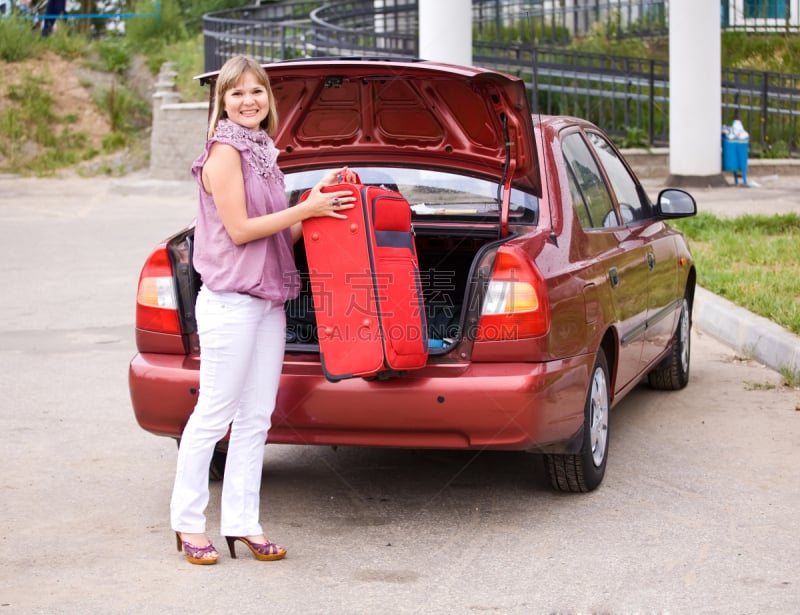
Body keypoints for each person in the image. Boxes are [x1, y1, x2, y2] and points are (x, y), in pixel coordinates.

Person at [171, 54, 357, 565]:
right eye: (237, 93)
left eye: (257, 92)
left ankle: (242, 523)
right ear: (221, 102)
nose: (248, 101)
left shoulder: (263, 153)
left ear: (269, 100)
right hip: (229, 303)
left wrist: (316, 204)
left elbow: (276, 237)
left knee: (256, 418)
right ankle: (188, 525)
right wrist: (304, 208)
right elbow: (240, 231)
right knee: (213, 416)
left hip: (267, 301)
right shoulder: (225, 153)